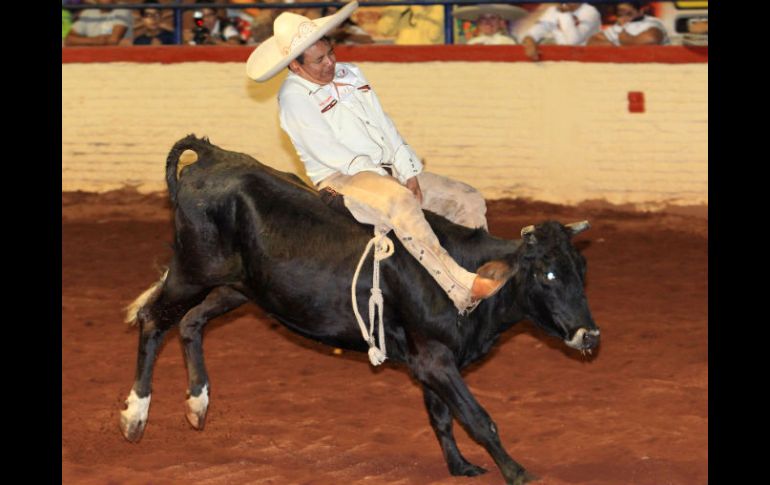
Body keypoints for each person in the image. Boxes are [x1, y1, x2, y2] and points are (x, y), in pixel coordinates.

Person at [245, 2, 507, 315]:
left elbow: (384, 125)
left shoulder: (352, 74)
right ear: (296, 67)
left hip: (388, 172)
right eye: (319, 60)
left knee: (467, 199)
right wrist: (388, 180)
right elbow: (331, 153)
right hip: (341, 182)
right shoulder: (293, 97)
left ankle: (476, 272)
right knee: (400, 202)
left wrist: (408, 170)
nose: (330, 63)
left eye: (330, 53)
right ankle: (461, 289)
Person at [520, 3, 601, 61]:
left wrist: (565, 14)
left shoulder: (590, 11)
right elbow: (535, 32)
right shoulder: (554, 10)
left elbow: (573, 42)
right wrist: (530, 40)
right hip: (561, 60)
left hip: (587, 60)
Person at [587, 2, 670, 46]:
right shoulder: (619, 25)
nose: (624, 18)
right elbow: (593, 42)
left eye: (629, 14)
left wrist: (623, 37)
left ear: (640, 12)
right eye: (620, 14)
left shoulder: (652, 22)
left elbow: (650, 40)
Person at [64, 0, 133, 46]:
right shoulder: (88, 12)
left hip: (115, 58)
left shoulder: (122, 9)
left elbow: (113, 41)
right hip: (90, 57)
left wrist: (82, 41)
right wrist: (97, 40)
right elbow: (68, 40)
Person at [452, 4, 528, 45]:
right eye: (483, 18)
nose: (487, 22)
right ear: (478, 23)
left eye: (492, 18)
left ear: (501, 23)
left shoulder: (508, 42)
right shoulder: (471, 43)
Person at [376, 5, 444, 45]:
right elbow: (384, 30)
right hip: (402, 58)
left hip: (430, 60)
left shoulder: (442, 6)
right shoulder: (400, 4)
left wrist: (417, 8)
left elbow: (434, 34)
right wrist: (394, 13)